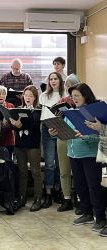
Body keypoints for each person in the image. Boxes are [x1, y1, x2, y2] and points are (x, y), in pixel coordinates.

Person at [49, 83, 106, 233]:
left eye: (77, 96)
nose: (74, 99)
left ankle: (100, 218)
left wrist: (86, 137)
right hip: (73, 154)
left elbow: (99, 136)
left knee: (94, 187)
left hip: (90, 155)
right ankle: (86, 213)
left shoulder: (94, 113)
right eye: (72, 96)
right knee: (80, 186)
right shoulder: (71, 112)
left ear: (85, 96)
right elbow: (66, 133)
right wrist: (55, 133)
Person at [9, 85, 42, 211]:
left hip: (33, 144)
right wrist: (13, 123)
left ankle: (37, 199)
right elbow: (14, 127)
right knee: (22, 172)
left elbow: (33, 124)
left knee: (35, 172)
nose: (28, 98)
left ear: (35, 98)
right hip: (20, 145)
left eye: (31, 96)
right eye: (26, 95)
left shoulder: (38, 110)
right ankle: (22, 198)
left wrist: (20, 125)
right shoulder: (19, 109)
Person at [39, 71, 66, 208]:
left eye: (56, 79)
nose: (53, 81)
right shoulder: (44, 95)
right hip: (47, 128)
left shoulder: (65, 95)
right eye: (51, 79)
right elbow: (41, 114)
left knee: (60, 162)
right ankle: (48, 193)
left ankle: (58, 191)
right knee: (49, 163)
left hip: (61, 128)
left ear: (60, 81)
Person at [56, 74, 80, 212]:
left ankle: (80, 199)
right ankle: (66, 199)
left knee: (78, 172)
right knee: (64, 171)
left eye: (72, 85)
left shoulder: (83, 101)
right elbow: (56, 119)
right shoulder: (62, 101)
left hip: (78, 138)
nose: (69, 88)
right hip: (63, 137)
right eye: (67, 85)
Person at [0, 85, 15, 160]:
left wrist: (9, 123)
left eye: (3, 93)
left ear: (6, 95)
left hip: (9, 138)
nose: (1, 95)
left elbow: (15, 121)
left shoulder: (11, 105)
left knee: (8, 161)